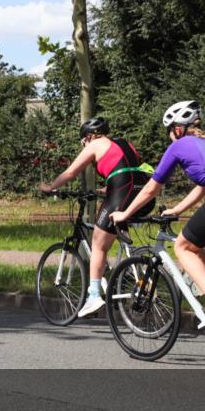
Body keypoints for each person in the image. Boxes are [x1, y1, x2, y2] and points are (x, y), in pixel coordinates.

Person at [110, 100, 205, 329]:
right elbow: (203, 186)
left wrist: (125, 213)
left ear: (177, 128)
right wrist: (177, 210)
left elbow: (151, 188)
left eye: (169, 132)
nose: (170, 138)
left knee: (182, 246)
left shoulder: (180, 145)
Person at [40, 117, 154, 318]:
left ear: (89, 136)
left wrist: (50, 187)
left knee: (98, 245)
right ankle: (131, 274)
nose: (84, 145)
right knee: (114, 230)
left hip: (122, 192)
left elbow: (71, 172)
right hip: (143, 193)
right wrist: (106, 188)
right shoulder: (124, 143)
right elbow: (129, 170)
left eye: (83, 141)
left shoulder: (95, 144)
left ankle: (93, 296)